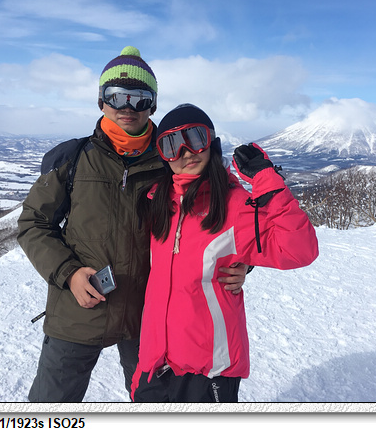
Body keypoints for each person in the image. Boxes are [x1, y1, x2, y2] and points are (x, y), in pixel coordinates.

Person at [17, 47, 247, 402]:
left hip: (149, 315)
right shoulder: (74, 159)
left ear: (152, 105)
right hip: (78, 306)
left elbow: (220, 217)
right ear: (101, 101)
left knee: (155, 409)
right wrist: (69, 273)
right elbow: (33, 223)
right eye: (116, 95)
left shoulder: (172, 160)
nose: (128, 106)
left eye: (140, 98)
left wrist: (240, 263)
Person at [131, 104, 319, 403]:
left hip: (207, 370)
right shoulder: (157, 203)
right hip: (154, 363)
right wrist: (143, 367)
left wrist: (267, 180)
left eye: (195, 138)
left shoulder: (236, 205)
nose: (185, 152)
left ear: (212, 143)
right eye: (171, 145)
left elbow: (299, 250)